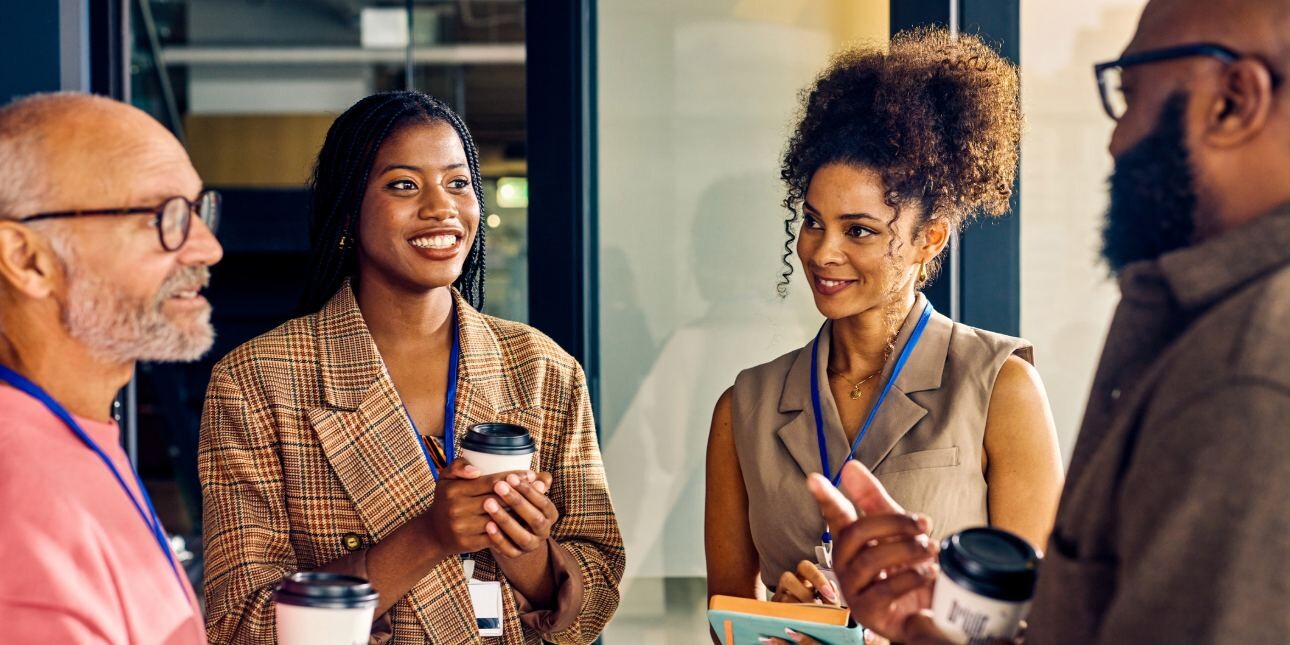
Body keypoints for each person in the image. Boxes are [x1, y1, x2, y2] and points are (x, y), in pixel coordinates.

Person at [805, 0, 1290, 643]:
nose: (1117, 140)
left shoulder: (1248, 375)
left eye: (1130, 92)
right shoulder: (1207, 333)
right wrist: (933, 624)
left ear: (1234, 100)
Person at [199, 91, 624, 644]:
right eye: (404, 184)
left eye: (457, 182)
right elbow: (239, 627)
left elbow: (595, 600)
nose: (441, 207)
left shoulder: (541, 367)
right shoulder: (257, 380)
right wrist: (429, 536)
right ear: (348, 211)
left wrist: (526, 550)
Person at [705, 28, 1063, 607]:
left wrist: (911, 613)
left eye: (860, 231)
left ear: (929, 238)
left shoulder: (1001, 386)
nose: (823, 252)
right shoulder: (744, 407)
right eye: (814, 221)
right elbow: (724, 615)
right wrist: (780, 613)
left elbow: (1040, 613)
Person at [0, 93, 222, 642]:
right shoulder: (21, 507)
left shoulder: (72, 429)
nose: (207, 247)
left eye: (198, 210)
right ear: (27, 260)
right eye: (161, 217)